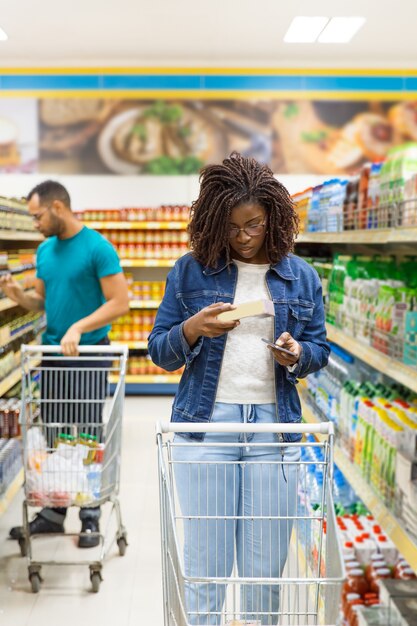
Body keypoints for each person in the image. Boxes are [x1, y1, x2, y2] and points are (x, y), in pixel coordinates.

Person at [148, 153, 330, 625]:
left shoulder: (301, 277)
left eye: (253, 224)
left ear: (273, 217)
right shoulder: (190, 271)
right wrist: (190, 329)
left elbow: (319, 349)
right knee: (205, 570)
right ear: (212, 222)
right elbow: (159, 352)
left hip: (275, 432)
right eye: (231, 227)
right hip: (207, 430)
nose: (243, 237)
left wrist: (297, 354)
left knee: (265, 574)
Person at [0, 180, 129, 548]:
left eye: (37, 216)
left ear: (58, 208)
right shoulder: (44, 251)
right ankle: (54, 511)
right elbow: (43, 302)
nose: (35, 223)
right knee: (55, 434)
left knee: (86, 434)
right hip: (53, 356)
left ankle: (90, 515)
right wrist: (18, 296)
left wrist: (79, 326)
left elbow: (120, 302)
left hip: (88, 354)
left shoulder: (97, 248)